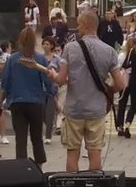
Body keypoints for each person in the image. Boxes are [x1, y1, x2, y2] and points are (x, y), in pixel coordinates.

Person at [48, 10, 124, 171]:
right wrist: (108, 90)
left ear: (84, 24)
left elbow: (61, 80)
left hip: (74, 109)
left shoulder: (70, 48)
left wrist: (52, 74)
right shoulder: (109, 51)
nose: (77, 29)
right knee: (94, 152)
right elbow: (120, 84)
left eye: (78, 25)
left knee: (72, 153)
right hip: (96, 109)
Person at [0, 26, 51, 168]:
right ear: (35, 41)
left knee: (20, 139)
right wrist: (54, 98)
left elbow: (5, 82)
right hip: (36, 102)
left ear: (20, 40)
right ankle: (39, 168)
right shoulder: (40, 59)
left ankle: (22, 170)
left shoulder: (12, 59)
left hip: (17, 102)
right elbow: (47, 81)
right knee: (37, 138)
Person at [115, 36, 136, 138]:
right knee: (134, 103)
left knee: (122, 103)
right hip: (132, 79)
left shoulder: (121, 56)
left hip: (123, 80)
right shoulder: (135, 55)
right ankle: (127, 123)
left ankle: (119, 125)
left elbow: (118, 68)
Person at [42, 36, 62, 144]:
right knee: (41, 112)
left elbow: (61, 71)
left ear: (52, 46)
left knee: (49, 111)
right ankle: (50, 124)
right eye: (44, 44)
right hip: (41, 87)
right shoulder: (39, 58)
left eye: (47, 44)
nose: (45, 46)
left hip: (53, 88)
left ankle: (48, 136)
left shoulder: (57, 59)